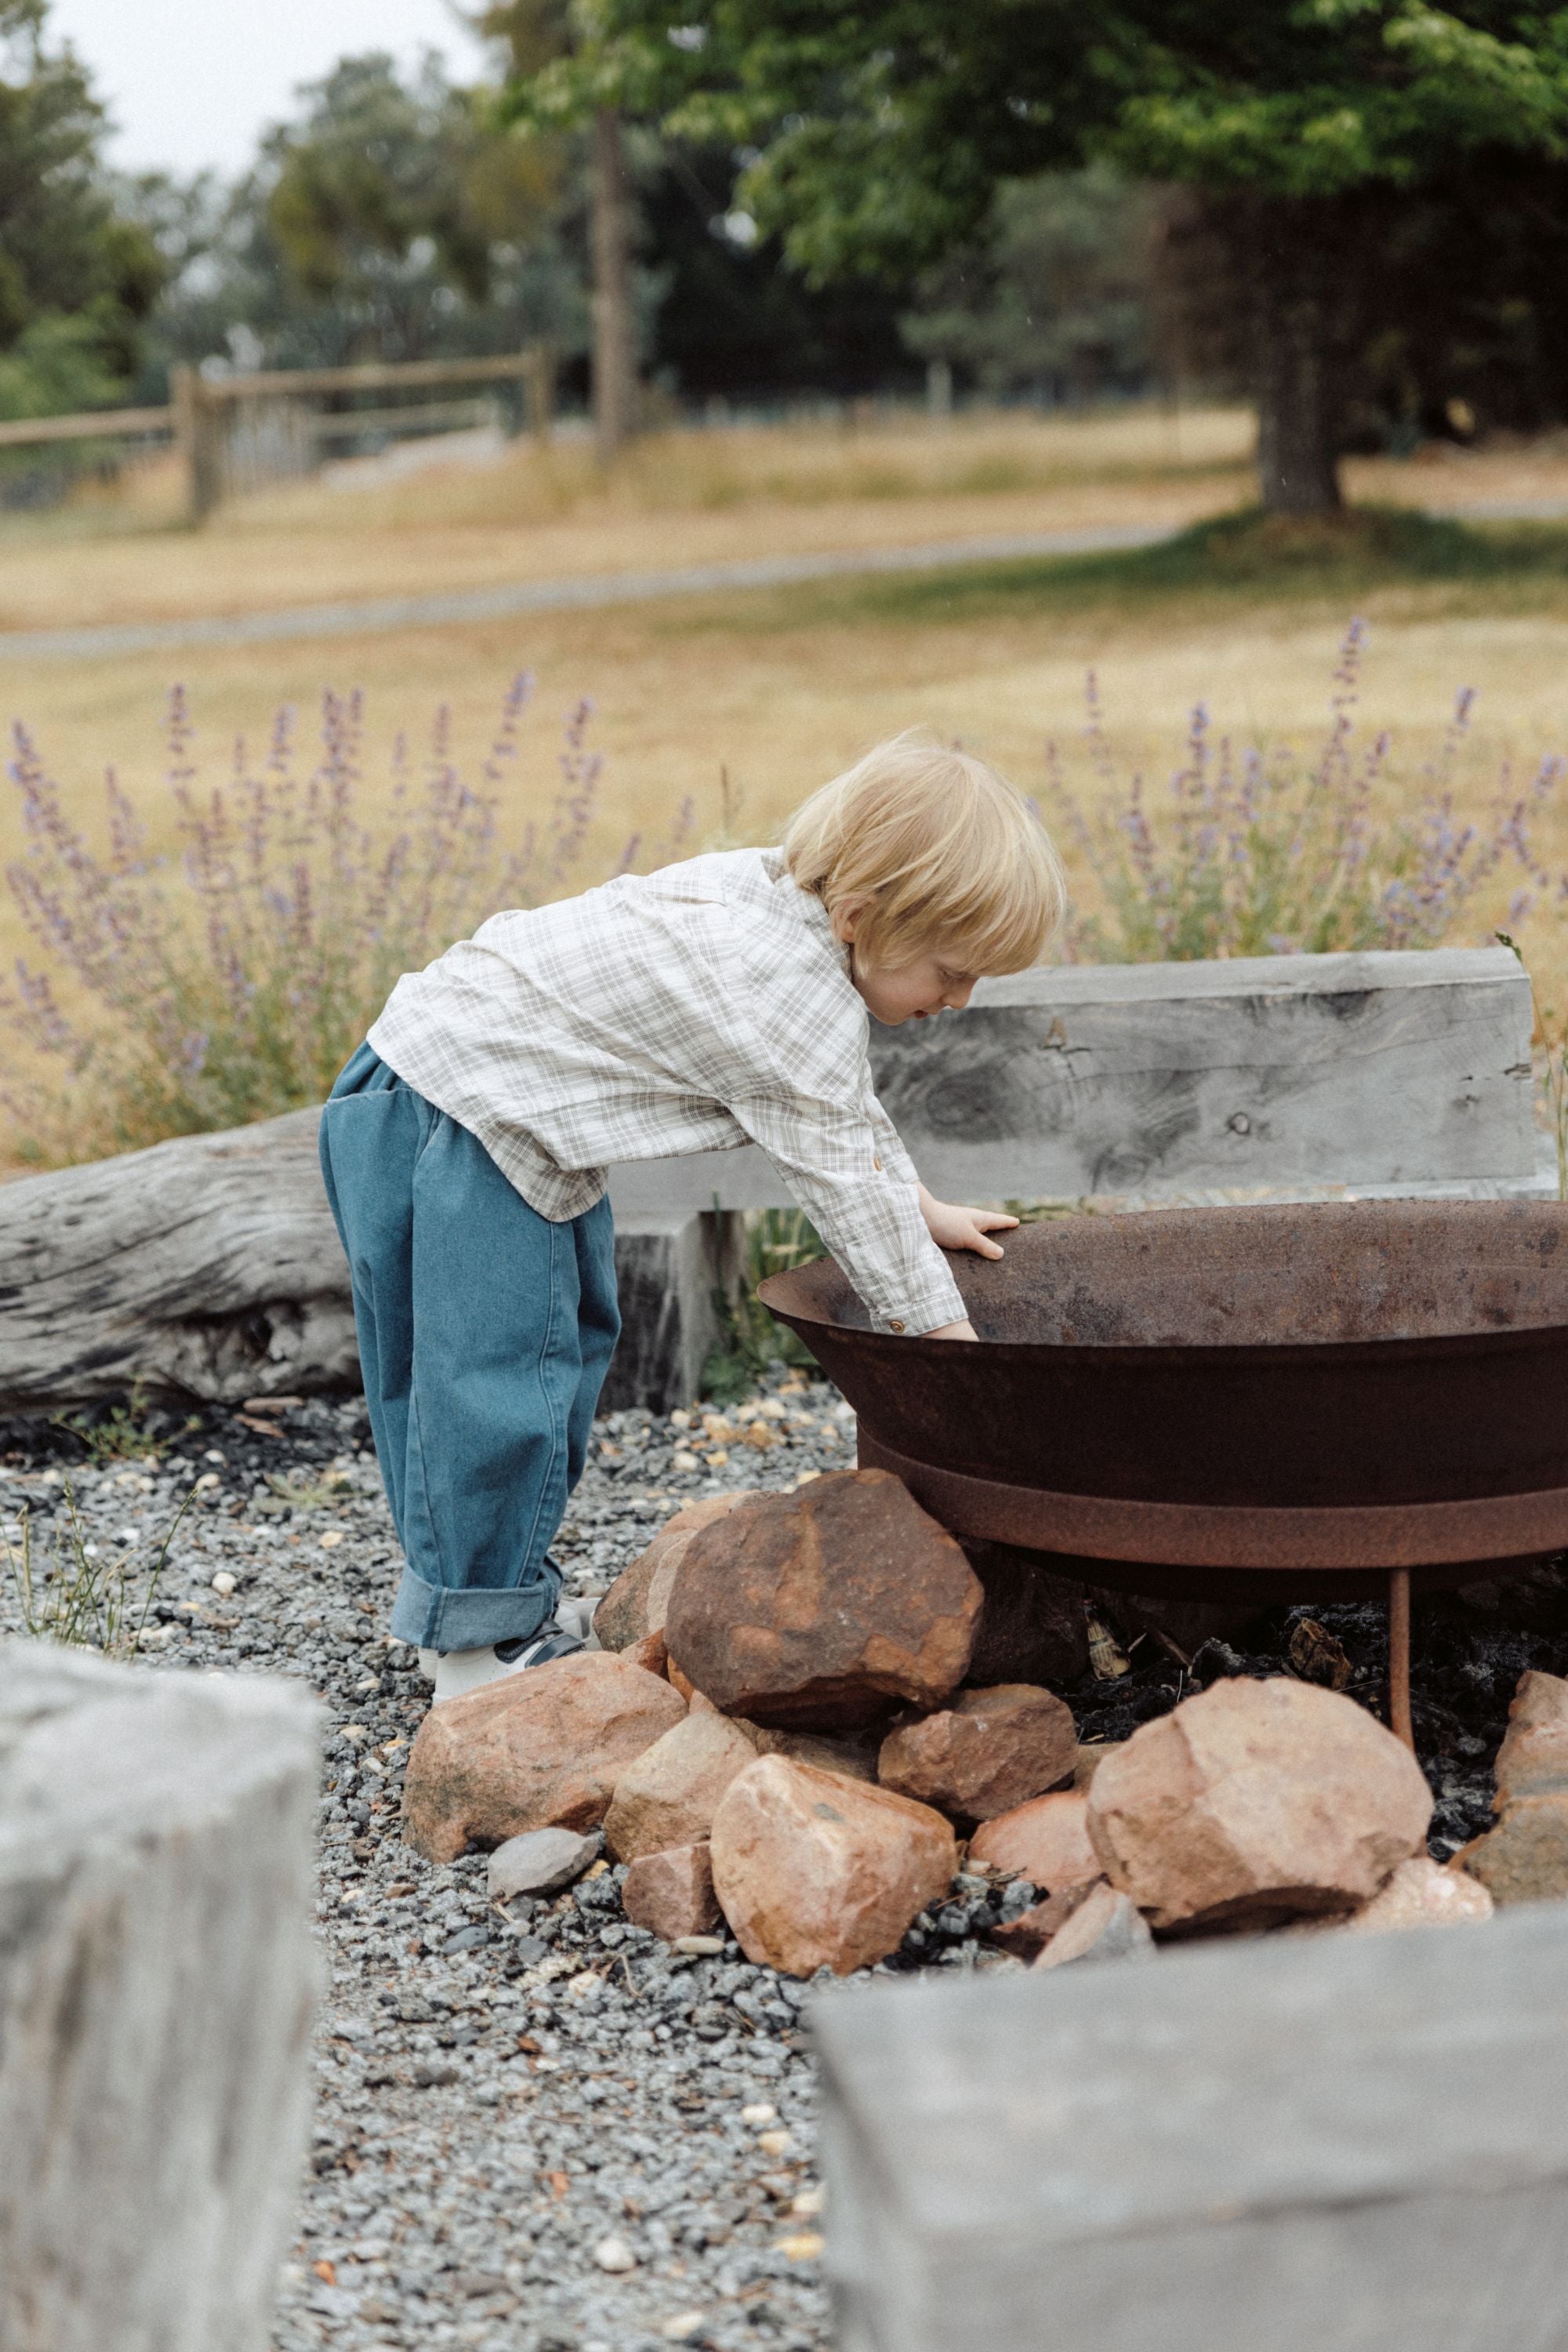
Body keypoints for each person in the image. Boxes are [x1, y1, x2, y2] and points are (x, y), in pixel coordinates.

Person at [318, 734, 1065, 1703]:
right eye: (951, 973)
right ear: (859, 916)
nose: (958, 1002)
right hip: (455, 1120)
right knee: (499, 1381)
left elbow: (838, 1112)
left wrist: (917, 1207)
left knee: (528, 1352)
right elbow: (838, 1170)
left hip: (433, 1090)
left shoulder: (777, 906)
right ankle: (477, 1650)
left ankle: (481, 1611)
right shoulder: (781, 992)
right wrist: (954, 1350)